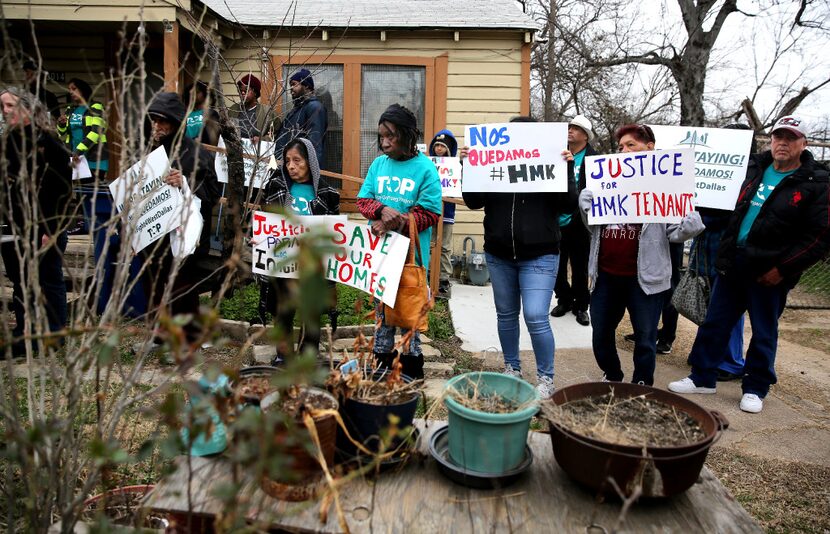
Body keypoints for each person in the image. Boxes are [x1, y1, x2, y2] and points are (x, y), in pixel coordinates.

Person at [669, 116, 830, 413]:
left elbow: (818, 236)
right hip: (734, 262)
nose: (782, 143)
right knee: (715, 323)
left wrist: (783, 269)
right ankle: (702, 377)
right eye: (777, 136)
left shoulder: (816, 181)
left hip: (770, 272)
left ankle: (755, 388)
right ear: (770, 140)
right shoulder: (753, 167)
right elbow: (718, 195)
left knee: (764, 331)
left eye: (790, 138)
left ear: (803, 144)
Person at [579, 124, 704, 386]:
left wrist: (689, 227)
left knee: (646, 337)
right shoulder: (607, 182)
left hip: (645, 280)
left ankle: (642, 383)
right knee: (601, 332)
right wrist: (585, 207)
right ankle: (612, 375)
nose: (623, 150)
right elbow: (593, 228)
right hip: (606, 276)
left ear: (650, 148)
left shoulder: (666, 186)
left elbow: (674, 233)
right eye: (621, 146)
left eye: (630, 145)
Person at [461, 116, 576, 399]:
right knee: (506, 314)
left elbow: (570, 205)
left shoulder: (551, 162)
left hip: (540, 253)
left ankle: (545, 378)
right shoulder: (493, 163)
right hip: (499, 254)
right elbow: (474, 201)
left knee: (536, 315)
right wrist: (469, 166)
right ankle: (512, 368)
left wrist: (567, 167)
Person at [356, 104, 442, 380]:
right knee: (382, 316)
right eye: (381, 136)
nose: (385, 142)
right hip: (380, 255)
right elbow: (363, 200)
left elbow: (431, 213)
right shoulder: (379, 165)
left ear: (407, 135)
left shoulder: (426, 169)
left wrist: (399, 220)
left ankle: (411, 371)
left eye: (391, 136)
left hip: (411, 261)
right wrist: (380, 211)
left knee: (408, 315)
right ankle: (381, 368)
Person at [143, 92, 221, 344]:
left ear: (176, 122)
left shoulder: (197, 154)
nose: (158, 125)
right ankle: (161, 336)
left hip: (184, 237)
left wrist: (185, 183)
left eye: (163, 120)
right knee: (155, 283)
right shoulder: (147, 151)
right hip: (154, 236)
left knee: (183, 286)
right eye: (153, 119)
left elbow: (211, 194)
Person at [0, 87, 72, 357]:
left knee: (48, 279)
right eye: (2, 107)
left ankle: (54, 335)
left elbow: (62, 190)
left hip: (44, 225)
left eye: (10, 105)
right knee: (21, 281)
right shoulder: (9, 143)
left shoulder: (49, 144)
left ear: (28, 108)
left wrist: (52, 229)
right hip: (14, 226)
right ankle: (24, 335)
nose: (5, 112)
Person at [260, 138, 340, 364]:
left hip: (312, 265)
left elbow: (334, 232)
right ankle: (283, 355)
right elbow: (265, 223)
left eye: (297, 160)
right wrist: (258, 238)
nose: (291, 166)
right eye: (287, 161)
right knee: (283, 310)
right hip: (284, 262)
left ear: (310, 161)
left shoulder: (327, 193)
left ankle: (308, 353)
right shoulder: (276, 188)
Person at [549, 115, 597, 327]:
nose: (571, 131)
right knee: (556, 265)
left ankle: (581, 306)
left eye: (576, 129)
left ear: (586, 136)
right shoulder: (555, 152)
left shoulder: (595, 160)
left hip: (580, 221)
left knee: (580, 265)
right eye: (569, 127)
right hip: (556, 218)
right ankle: (564, 300)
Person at [274, 69, 328, 170]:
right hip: (287, 168)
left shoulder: (314, 108)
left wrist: (310, 173)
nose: (291, 88)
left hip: (300, 171)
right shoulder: (296, 110)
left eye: (294, 84)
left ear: (306, 85)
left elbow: (315, 144)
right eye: (290, 85)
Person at [428, 129, 458, 299]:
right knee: (429, 243)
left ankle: (443, 279)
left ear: (449, 148)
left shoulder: (455, 167)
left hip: (447, 211)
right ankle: (427, 275)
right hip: (429, 210)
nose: (439, 148)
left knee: (444, 246)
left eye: (443, 146)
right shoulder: (427, 164)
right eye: (437, 145)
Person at [229, 74, 279, 142]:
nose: (242, 93)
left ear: (255, 92)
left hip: (256, 151)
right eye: (240, 91)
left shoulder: (267, 112)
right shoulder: (233, 109)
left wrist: (262, 139)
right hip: (235, 149)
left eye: (246, 90)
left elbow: (276, 133)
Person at [184, 81, 220, 145]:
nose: (193, 95)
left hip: (203, 150)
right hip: (185, 149)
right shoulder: (184, 113)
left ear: (204, 93)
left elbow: (213, 137)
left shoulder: (211, 113)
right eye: (191, 93)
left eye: (197, 92)